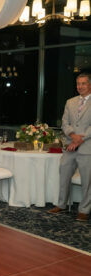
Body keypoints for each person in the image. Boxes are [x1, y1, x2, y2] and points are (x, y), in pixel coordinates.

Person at [48, 73, 91, 221]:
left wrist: (80, 139)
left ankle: (84, 210)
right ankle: (61, 204)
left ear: (89, 84)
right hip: (70, 146)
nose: (80, 86)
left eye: (83, 83)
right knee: (64, 175)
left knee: (88, 181)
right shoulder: (70, 102)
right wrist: (73, 136)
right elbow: (64, 122)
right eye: (78, 83)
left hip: (87, 147)